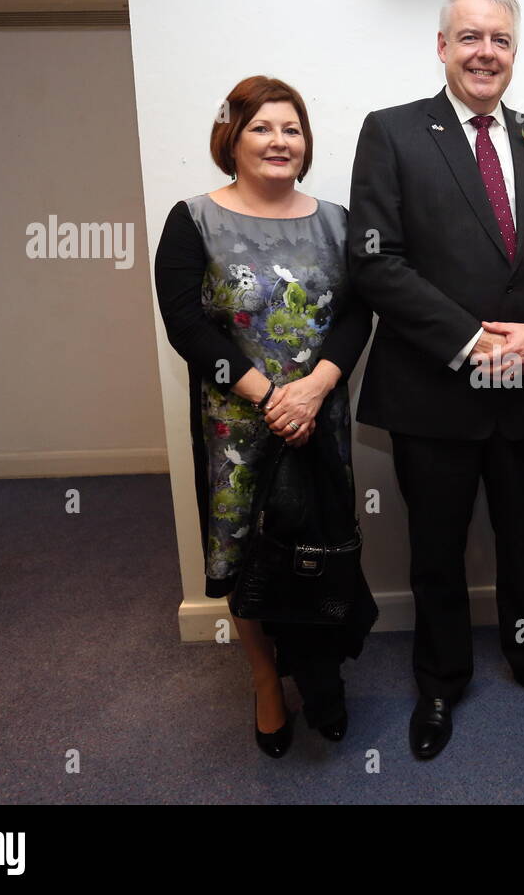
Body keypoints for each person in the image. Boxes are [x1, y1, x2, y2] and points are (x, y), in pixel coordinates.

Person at [347, 0, 524, 761]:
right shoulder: (391, 132)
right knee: (435, 549)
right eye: (471, 37)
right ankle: (441, 680)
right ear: (443, 47)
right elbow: (375, 262)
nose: (485, 52)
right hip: (435, 387)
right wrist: (472, 340)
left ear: (514, 53)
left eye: (500, 40)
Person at [155, 76, 375, 758]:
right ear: (232, 138)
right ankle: (264, 681)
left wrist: (313, 390)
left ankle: (321, 675)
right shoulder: (193, 219)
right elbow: (187, 325)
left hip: (320, 420)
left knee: (316, 547)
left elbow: (358, 314)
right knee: (248, 555)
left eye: (292, 129)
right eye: (262, 128)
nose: (280, 141)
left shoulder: (339, 222)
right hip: (238, 431)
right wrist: (270, 396)